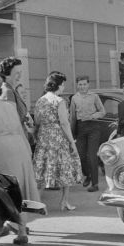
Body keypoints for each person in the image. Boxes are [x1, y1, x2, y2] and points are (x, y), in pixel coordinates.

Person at [0, 77, 40, 245]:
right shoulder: (8, 106)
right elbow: (20, 129)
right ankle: (22, 231)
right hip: (19, 147)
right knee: (17, 190)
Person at [33, 72, 83, 210]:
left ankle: (37, 203)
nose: (63, 87)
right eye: (63, 84)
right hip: (58, 138)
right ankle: (64, 202)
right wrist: (72, 142)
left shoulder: (40, 100)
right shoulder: (59, 101)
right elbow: (64, 123)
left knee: (42, 170)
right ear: (58, 85)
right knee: (65, 169)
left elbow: (37, 121)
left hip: (43, 138)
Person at [69, 75, 106, 192]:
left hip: (93, 127)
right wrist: (71, 133)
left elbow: (102, 111)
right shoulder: (74, 98)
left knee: (92, 156)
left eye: (84, 84)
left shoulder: (94, 96)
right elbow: (72, 117)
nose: (82, 87)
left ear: (88, 85)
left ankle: (95, 184)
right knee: (80, 156)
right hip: (81, 128)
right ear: (77, 85)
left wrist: (93, 116)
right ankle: (88, 175)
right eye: (80, 84)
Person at [0, 56, 34, 142]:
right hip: (17, 140)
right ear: (7, 75)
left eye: (20, 72)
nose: (20, 76)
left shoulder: (12, 91)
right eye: (17, 73)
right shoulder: (7, 92)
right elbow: (12, 121)